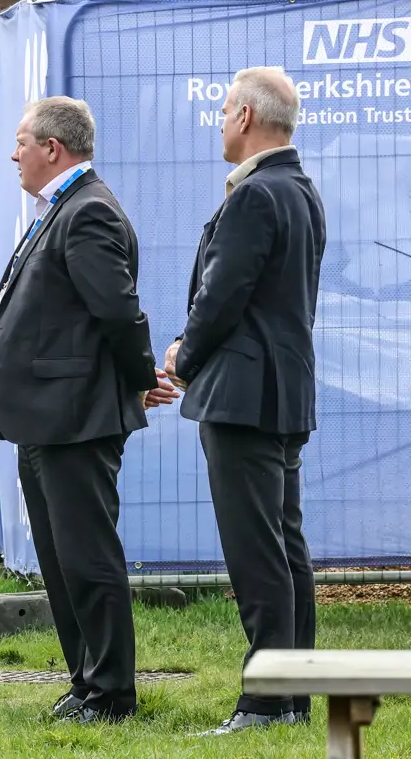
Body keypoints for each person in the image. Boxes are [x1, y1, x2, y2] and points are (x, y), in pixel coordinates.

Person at [0, 96, 158, 724]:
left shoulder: (87, 212)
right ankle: (87, 681)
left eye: (22, 141)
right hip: (47, 417)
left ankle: (112, 692)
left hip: (77, 416)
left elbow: (117, 311)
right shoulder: (60, 207)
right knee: (60, 560)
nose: (14, 154)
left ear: (52, 148)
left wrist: (142, 379)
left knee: (87, 555)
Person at [165, 66, 324, 736]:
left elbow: (221, 296)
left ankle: (265, 702)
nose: (220, 120)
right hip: (281, 395)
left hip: (244, 399)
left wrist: (182, 356)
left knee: (259, 555)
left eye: (225, 109)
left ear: (247, 119)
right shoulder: (301, 191)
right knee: (284, 550)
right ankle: (290, 698)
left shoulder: (257, 196)